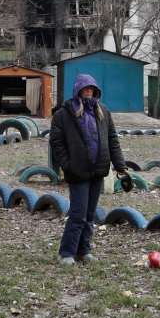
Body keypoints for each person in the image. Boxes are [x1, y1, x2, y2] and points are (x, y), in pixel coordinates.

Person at [50, 74, 127, 266]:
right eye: (86, 88)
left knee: (90, 215)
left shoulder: (103, 111)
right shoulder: (63, 114)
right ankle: (66, 253)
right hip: (78, 173)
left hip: (98, 171)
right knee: (78, 214)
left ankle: (83, 251)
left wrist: (120, 166)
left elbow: (112, 140)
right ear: (78, 90)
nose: (89, 91)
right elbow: (56, 143)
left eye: (92, 88)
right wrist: (68, 165)